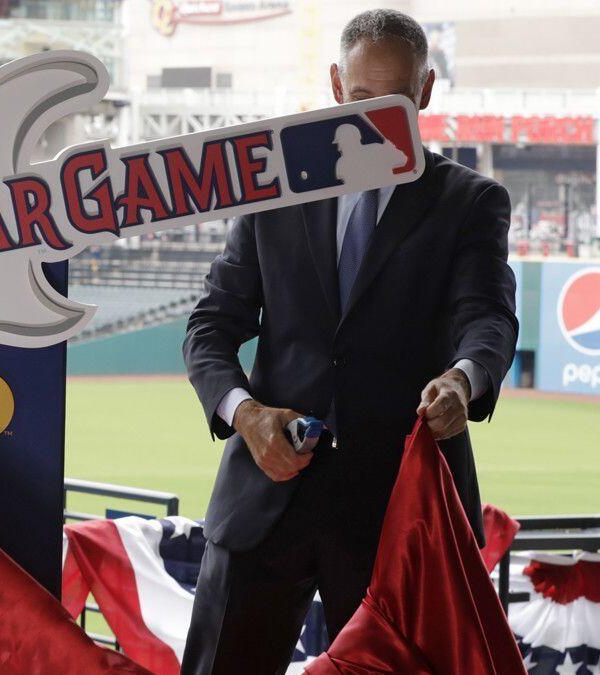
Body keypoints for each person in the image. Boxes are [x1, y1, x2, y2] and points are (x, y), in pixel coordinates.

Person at [179, 10, 518, 674]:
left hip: (395, 517)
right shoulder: (272, 188)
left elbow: (488, 320)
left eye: (394, 99)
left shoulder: (470, 202)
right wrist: (245, 416)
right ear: (337, 85)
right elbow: (211, 326)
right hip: (263, 502)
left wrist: (464, 378)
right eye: (361, 98)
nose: (376, 115)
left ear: (425, 91)